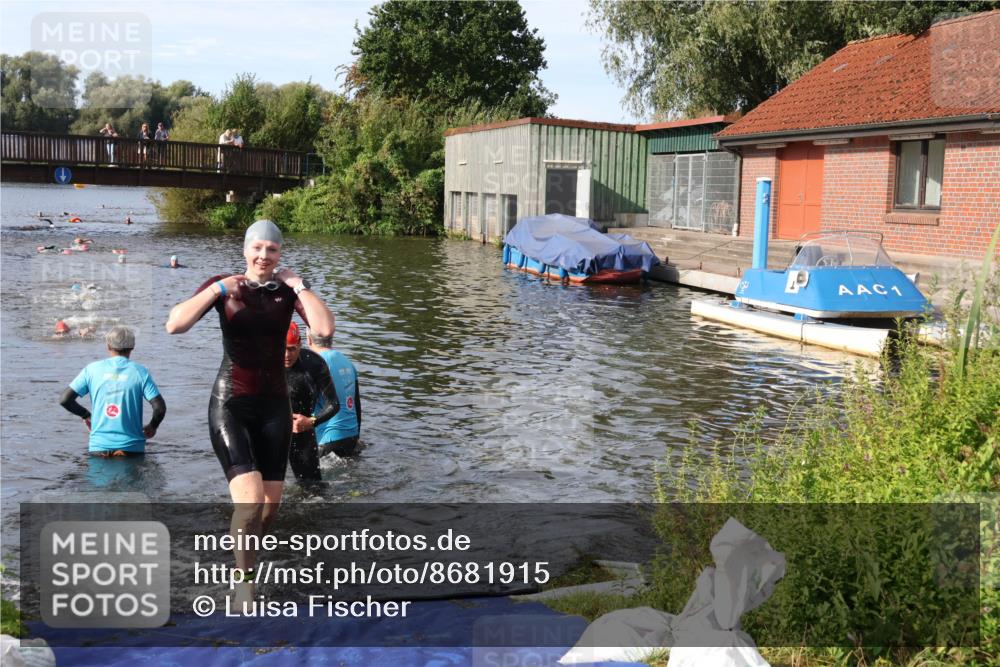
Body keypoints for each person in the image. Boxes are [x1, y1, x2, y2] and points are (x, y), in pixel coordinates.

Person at [164, 219, 334, 608]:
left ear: (280, 255)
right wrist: (215, 289)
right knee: (251, 502)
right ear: (245, 250)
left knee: (270, 509)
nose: (263, 256)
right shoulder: (226, 287)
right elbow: (175, 324)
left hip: (275, 408)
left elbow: (324, 331)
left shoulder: (287, 293)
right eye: (257, 248)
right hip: (232, 405)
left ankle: (247, 561)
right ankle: (244, 582)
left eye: (272, 250)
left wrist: (299, 285)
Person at [59, 326, 166, 457]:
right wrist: (152, 426)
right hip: (132, 449)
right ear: (132, 347)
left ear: (108, 346)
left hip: (99, 448)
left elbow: (65, 399)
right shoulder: (140, 372)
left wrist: (86, 415)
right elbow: (159, 408)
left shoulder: (91, 370)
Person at [284, 322, 340, 483]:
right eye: (282, 348)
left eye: (292, 349)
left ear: (300, 345)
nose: (287, 355)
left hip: (301, 431)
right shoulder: (264, 361)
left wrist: (311, 421)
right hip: (272, 432)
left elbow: (334, 404)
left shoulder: (313, 363)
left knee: (313, 487)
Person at [308, 329, 362, 457]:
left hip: (327, 439)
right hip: (351, 437)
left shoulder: (315, 363)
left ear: (308, 339)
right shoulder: (347, 362)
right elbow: (357, 405)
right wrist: (356, 437)